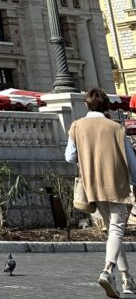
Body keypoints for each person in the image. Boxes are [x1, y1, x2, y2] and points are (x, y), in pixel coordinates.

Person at [66, 87, 136, 297]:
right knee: (116, 229)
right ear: (107, 105)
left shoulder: (76, 126)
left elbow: (69, 156)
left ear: (86, 104)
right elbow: (132, 163)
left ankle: (126, 279)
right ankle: (107, 270)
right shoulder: (116, 128)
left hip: (91, 184)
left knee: (113, 231)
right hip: (116, 184)